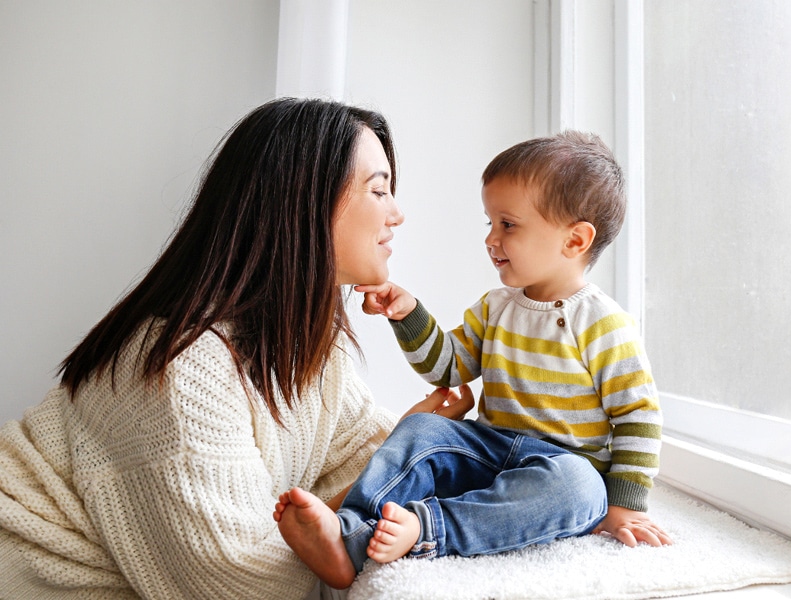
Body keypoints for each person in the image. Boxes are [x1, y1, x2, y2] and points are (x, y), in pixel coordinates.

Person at [0, 97, 472, 599]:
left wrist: (409, 441)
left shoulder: (302, 348)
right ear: (304, 203)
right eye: (380, 190)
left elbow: (364, 455)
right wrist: (362, 487)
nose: (397, 214)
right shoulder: (183, 370)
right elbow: (244, 583)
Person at [274, 131, 671, 588]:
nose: (491, 238)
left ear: (575, 241)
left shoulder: (604, 324)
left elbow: (638, 416)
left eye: (508, 224)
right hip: (489, 449)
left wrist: (624, 506)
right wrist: (408, 314)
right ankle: (349, 533)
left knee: (581, 487)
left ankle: (428, 528)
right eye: (489, 223)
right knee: (423, 429)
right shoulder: (496, 307)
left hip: (560, 466)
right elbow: (449, 367)